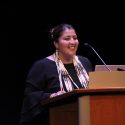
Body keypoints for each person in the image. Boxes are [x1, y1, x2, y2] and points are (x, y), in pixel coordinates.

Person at [19, 23, 94, 125]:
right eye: (67, 38)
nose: (73, 42)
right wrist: (51, 96)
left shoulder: (85, 62)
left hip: (89, 117)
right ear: (56, 44)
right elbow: (30, 95)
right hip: (57, 119)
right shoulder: (42, 66)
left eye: (75, 38)